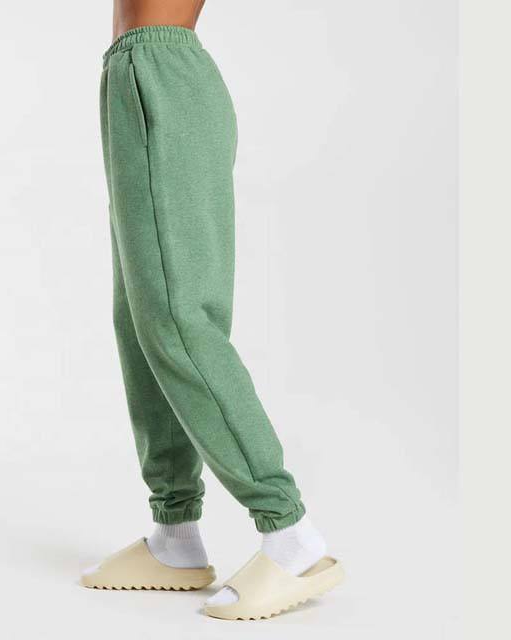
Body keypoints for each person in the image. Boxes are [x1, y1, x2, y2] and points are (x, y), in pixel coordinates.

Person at [81, 0, 343, 620]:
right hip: (138, 75)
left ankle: (291, 536)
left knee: (178, 319)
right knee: (141, 319)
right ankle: (175, 537)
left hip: (159, 73)